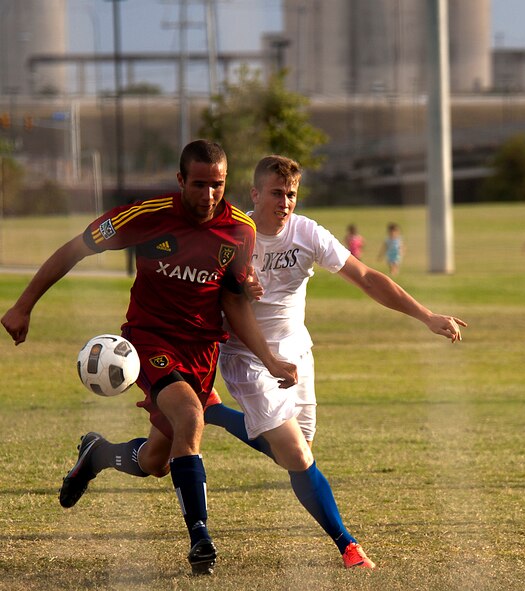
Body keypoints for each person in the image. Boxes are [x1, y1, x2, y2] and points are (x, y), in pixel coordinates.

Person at [1, 140, 297, 576]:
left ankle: (98, 455)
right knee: (192, 417)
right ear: (181, 181)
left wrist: (270, 359)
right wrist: (24, 304)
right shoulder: (146, 215)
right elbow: (75, 248)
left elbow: (234, 303)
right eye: (199, 184)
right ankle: (200, 538)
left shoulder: (239, 230)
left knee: (156, 461)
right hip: (150, 342)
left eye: (217, 185)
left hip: (201, 352)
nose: (209, 195)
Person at [203, 154, 466, 568]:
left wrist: (426, 315)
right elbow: (198, 287)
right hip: (248, 357)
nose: (285, 202)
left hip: (297, 353)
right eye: (276, 193)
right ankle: (348, 545)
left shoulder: (307, 233)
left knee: (294, 452)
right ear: (255, 194)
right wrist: (233, 284)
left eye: (291, 194)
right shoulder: (233, 234)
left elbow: (365, 276)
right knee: (298, 456)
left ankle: (215, 413)